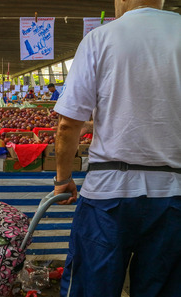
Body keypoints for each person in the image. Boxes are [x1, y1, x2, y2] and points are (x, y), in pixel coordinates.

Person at [53, 1, 180, 296]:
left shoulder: (101, 38)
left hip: (108, 195)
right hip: (174, 193)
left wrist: (62, 179)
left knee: (91, 288)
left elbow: (68, 124)